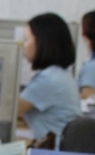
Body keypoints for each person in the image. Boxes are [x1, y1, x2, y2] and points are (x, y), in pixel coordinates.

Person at [17, 12, 81, 143]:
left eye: (27, 39)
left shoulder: (48, 80)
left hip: (56, 153)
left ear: (42, 42)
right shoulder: (58, 73)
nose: (24, 45)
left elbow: (11, 109)